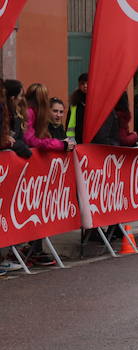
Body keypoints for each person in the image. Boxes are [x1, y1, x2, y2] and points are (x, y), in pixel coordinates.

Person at [23, 83, 74, 267]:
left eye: (61, 111)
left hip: (43, 174)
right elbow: (31, 140)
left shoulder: (37, 114)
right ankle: (29, 249)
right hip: (30, 170)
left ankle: (34, 248)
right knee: (30, 209)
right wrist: (59, 145)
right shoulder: (31, 113)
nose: (58, 115)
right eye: (55, 110)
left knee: (39, 210)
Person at [66, 73, 88, 143]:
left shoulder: (96, 100)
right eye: (82, 83)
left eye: (87, 83)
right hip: (77, 139)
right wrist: (70, 138)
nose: (85, 86)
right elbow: (69, 121)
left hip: (92, 138)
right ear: (79, 85)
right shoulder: (75, 101)